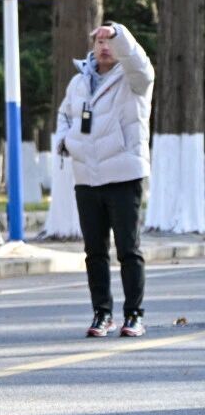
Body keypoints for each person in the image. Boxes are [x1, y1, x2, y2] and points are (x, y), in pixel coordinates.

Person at [53, 22, 153, 338]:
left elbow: (140, 64)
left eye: (109, 41)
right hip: (87, 177)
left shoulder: (133, 78)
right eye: (99, 41)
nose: (104, 46)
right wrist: (65, 141)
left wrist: (118, 33)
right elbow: (65, 115)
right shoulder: (79, 82)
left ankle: (134, 315)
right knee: (94, 251)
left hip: (124, 175)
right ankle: (102, 313)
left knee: (128, 250)